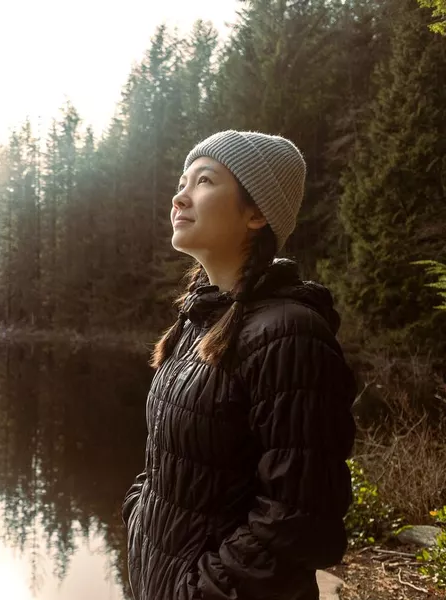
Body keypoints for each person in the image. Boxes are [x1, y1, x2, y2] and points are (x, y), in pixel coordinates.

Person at [122, 130, 356, 600]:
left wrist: (201, 590)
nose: (179, 195)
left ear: (256, 213)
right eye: (182, 180)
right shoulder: (203, 319)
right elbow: (168, 464)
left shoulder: (290, 335)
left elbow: (299, 519)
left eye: (204, 181)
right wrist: (138, 519)